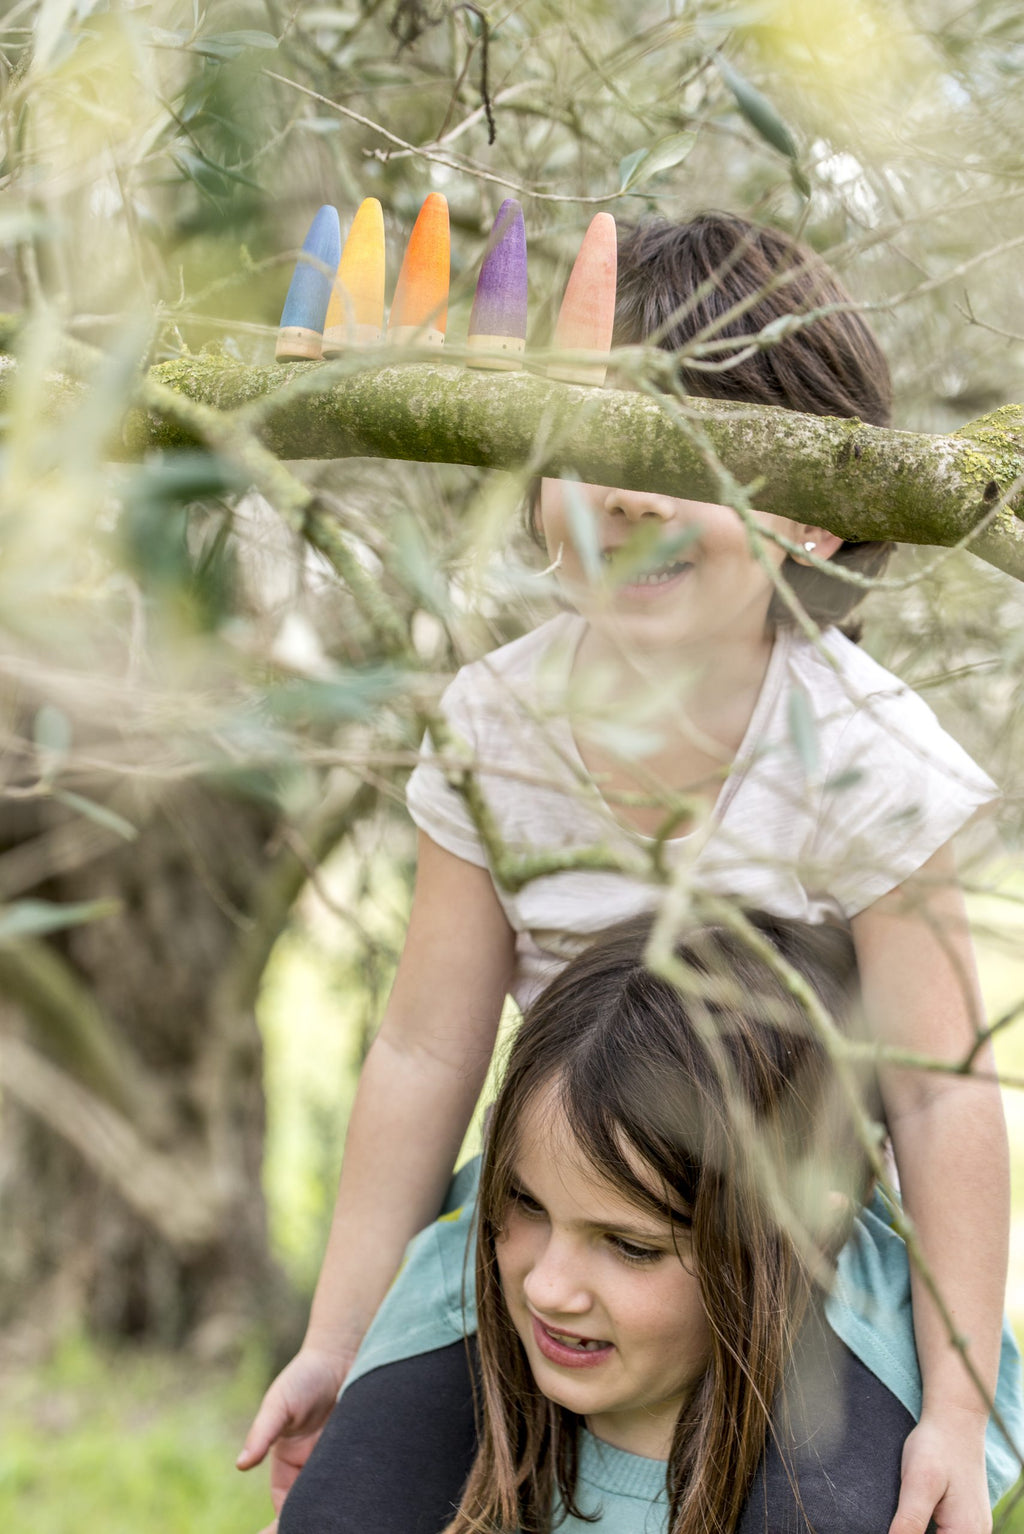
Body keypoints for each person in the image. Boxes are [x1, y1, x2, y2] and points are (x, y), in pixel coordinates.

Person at [238, 212, 1021, 1533]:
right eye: (594, 445)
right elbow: (425, 1050)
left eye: (684, 453)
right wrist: (339, 1336)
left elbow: (941, 1102)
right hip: (554, 1235)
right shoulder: (499, 726)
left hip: (797, 1271)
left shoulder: (868, 759)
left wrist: (953, 1401)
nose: (629, 492)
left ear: (820, 517)